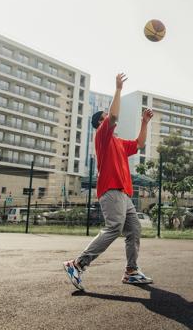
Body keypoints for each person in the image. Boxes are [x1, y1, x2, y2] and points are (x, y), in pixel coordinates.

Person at [63, 73, 154, 290]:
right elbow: (113, 117)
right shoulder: (102, 136)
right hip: (110, 190)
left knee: (134, 229)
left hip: (123, 193)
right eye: (105, 115)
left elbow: (139, 143)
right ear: (100, 123)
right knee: (114, 228)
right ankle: (77, 264)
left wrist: (144, 122)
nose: (109, 116)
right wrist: (118, 89)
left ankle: (131, 271)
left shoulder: (119, 142)